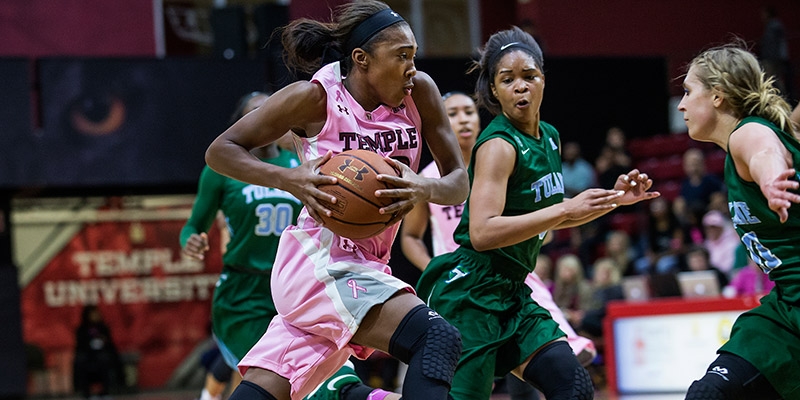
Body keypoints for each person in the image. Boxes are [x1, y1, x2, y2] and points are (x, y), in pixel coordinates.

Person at [204, 2, 469, 399]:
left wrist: (423, 188)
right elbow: (220, 150)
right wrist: (288, 178)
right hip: (320, 262)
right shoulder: (314, 98)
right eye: (402, 56)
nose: (412, 67)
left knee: (267, 386)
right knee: (437, 338)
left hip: (367, 262)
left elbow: (458, 181)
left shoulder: (420, 93)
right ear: (362, 60)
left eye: (413, 55)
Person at [416, 26, 658, 400]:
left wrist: (613, 200)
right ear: (494, 91)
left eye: (529, 76)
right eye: (507, 79)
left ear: (543, 79)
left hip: (514, 290)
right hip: (473, 295)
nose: (520, 86)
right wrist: (564, 208)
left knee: (574, 386)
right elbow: (481, 232)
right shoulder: (497, 146)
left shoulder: (549, 137)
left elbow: (557, 216)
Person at [400, 91, 595, 400]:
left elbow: (544, 213)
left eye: (468, 111)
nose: (463, 119)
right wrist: (433, 268)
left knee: (569, 380)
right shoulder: (428, 177)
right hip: (461, 285)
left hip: (512, 276)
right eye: (453, 113)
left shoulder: (505, 155)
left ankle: (553, 350)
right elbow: (410, 237)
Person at [678, 41, 800, 400]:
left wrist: (772, 180)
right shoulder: (749, 141)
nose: (682, 104)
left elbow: (764, 150)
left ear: (717, 96)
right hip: (787, 309)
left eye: (688, 91)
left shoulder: (746, 133)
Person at [72, 305, 123, 399]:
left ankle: (106, 392)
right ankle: (87, 393)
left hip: (102, 355)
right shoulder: (82, 329)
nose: (96, 316)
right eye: (93, 314)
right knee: (81, 361)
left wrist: (103, 342)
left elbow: (110, 345)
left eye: (97, 314)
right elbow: (80, 346)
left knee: (105, 359)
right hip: (88, 356)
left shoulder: (103, 328)